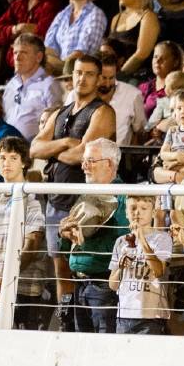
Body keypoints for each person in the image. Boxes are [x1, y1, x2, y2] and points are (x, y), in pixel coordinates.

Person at [31, 56, 115, 314]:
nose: (83, 78)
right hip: (56, 199)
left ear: (99, 78)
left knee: (85, 266)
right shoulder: (60, 112)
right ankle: (66, 319)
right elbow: (35, 147)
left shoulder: (103, 111)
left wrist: (55, 151)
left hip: (85, 202)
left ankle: (89, 321)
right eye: (79, 72)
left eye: (90, 73)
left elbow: (82, 154)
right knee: (61, 269)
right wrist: (66, 142)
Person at [58, 137, 129, 333]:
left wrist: (83, 241)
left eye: (90, 161)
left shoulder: (124, 198)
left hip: (104, 286)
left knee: (103, 348)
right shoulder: (85, 196)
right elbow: (66, 251)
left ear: (109, 164)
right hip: (80, 283)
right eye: (84, 161)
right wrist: (64, 236)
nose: (84, 167)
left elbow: (122, 243)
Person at [0, 137, 50, 330]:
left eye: (13, 157)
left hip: (26, 289)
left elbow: (32, 246)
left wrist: (1, 281)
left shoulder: (34, 197)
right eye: (2, 157)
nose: (6, 163)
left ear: (24, 162)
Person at [108, 195, 174, 334]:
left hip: (151, 316)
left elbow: (158, 272)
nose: (137, 213)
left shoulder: (162, 238)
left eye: (144, 208)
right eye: (132, 208)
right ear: (126, 212)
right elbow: (112, 285)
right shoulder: (120, 242)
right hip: (124, 315)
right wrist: (121, 268)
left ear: (153, 212)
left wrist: (141, 238)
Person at [2, 34, 63, 141]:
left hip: (32, 149)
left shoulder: (49, 84)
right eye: (15, 52)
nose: (17, 58)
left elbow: (56, 124)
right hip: (6, 146)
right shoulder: (11, 85)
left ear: (38, 57)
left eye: (24, 52)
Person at [44, 0, 108, 66]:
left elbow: (81, 53)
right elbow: (49, 47)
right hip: (58, 67)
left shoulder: (96, 15)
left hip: (80, 69)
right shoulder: (62, 14)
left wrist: (57, 65)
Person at [107, 0, 160, 79]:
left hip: (136, 77)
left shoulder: (148, 17)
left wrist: (119, 76)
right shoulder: (116, 18)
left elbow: (142, 54)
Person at [90, 55, 146, 146]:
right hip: (83, 156)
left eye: (111, 78)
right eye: (103, 78)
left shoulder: (133, 94)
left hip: (120, 156)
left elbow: (140, 131)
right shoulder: (77, 94)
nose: (107, 84)